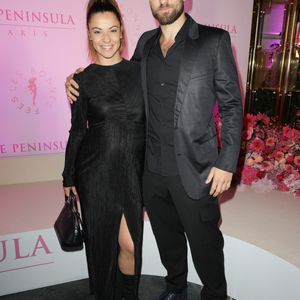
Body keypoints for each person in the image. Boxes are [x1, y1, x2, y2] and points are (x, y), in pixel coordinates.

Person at [66, 1, 243, 299]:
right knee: (167, 241)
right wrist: (77, 78)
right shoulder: (146, 43)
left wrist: (227, 163)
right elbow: (117, 77)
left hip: (196, 169)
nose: (163, 1)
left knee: (206, 245)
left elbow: (231, 106)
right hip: (151, 171)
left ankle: (215, 294)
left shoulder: (214, 41)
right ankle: (175, 288)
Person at [62, 1, 145, 299]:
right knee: (100, 251)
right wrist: (68, 177)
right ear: (89, 35)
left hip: (132, 174)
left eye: (112, 30)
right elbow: (77, 131)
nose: (106, 38)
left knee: (131, 246)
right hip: (94, 175)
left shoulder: (141, 72)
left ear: (122, 32)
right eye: (98, 31)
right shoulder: (81, 81)